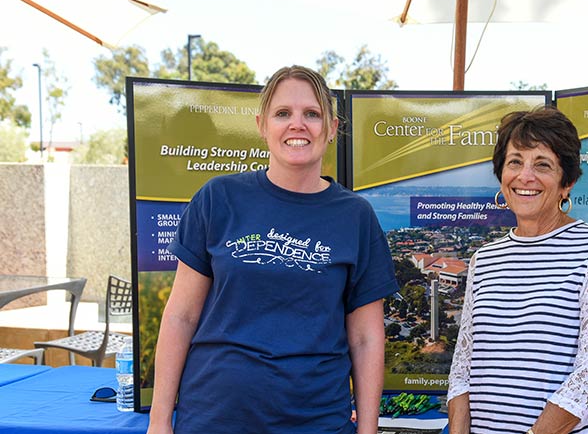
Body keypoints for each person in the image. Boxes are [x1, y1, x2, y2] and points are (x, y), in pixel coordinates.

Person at [147, 65, 399, 434]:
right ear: (262, 125)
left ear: (331, 129)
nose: (297, 124)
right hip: (214, 417)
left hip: (315, 422)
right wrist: (158, 421)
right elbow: (180, 317)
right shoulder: (218, 198)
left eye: (311, 114)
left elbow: (366, 338)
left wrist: (369, 429)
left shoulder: (355, 216)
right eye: (283, 113)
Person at [446, 106, 588, 434]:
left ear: (566, 182)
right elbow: (462, 369)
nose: (525, 176)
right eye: (515, 162)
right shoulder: (484, 259)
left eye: (542, 164)